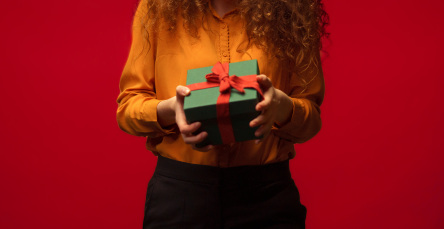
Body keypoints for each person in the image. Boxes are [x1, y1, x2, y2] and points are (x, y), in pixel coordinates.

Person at [117, 0, 328, 228]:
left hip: (267, 197)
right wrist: (171, 111)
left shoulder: (292, 10)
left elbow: (311, 118)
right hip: (180, 197)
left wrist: (282, 108)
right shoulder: (156, 8)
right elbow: (128, 107)